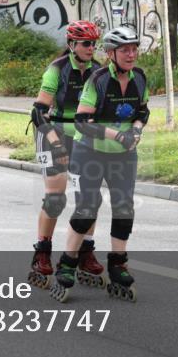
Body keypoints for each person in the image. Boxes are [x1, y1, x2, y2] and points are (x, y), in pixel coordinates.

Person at [51, 26, 149, 303]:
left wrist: (137, 130)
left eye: (134, 48)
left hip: (124, 155)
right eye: (125, 50)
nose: (131, 54)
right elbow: (82, 121)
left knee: (124, 207)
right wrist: (117, 134)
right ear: (110, 53)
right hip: (89, 152)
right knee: (87, 208)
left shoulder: (139, 78)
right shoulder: (97, 80)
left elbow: (143, 111)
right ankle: (68, 263)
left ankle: (118, 264)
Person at [28, 21, 104, 289]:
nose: (91, 48)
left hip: (82, 135)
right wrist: (55, 144)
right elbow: (38, 113)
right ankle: (43, 252)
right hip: (53, 131)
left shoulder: (98, 71)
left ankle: (85, 252)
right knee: (56, 197)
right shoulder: (57, 69)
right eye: (86, 43)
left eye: (94, 43)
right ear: (72, 45)